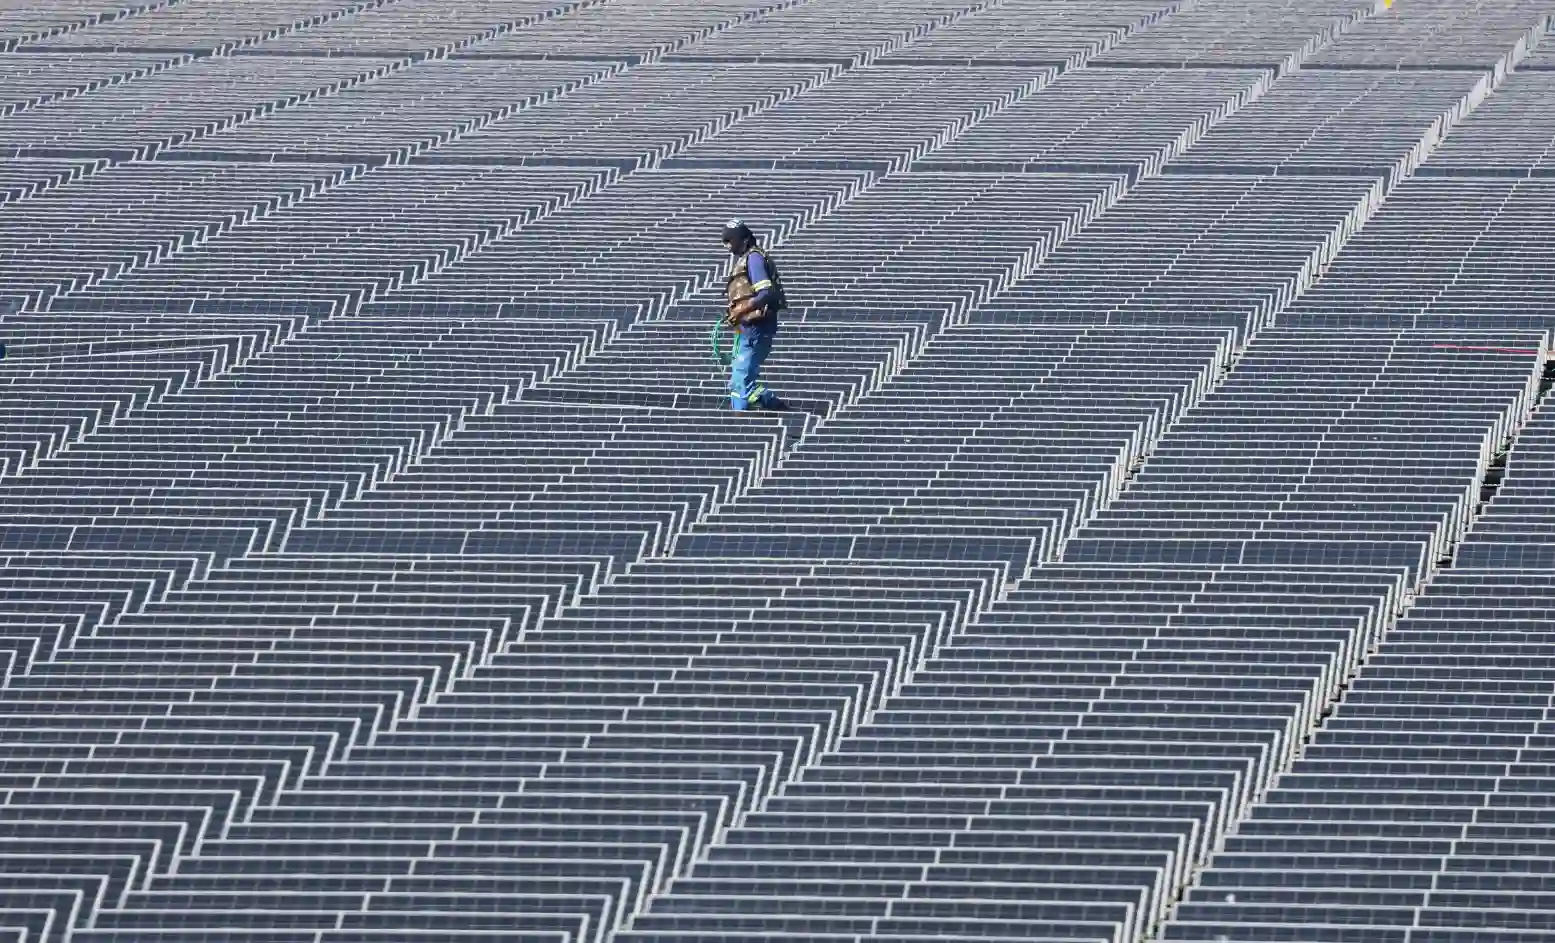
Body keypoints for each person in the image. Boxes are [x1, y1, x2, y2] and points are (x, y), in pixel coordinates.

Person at [722, 220, 788, 411]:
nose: (727, 246)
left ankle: (741, 425)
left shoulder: (754, 259)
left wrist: (740, 311)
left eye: (729, 241)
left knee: (740, 383)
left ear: (743, 240)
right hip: (747, 331)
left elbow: (765, 292)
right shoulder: (748, 258)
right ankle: (766, 403)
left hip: (756, 330)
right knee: (739, 381)